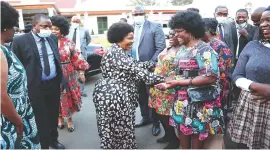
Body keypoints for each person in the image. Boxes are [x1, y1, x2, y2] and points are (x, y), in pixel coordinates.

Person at [156, 11, 222, 149]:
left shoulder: (203, 50)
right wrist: (169, 83)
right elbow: (181, 73)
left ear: (191, 30)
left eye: (179, 31)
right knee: (182, 130)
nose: (176, 35)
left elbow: (210, 76)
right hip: (182, 101)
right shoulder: (182, 49)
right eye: (174, 31)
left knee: (196, 133)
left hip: (198, 102)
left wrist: (180, 82)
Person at [93, 22, 165, 149]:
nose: (132, 41)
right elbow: (142, 74)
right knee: (120, 128)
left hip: (113, 94)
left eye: (133, 38)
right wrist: (168, 79)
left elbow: (134, 65)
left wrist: (150, 64)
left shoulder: (118, 51)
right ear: (119, 37)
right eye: (129, 38)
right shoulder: (116, 53)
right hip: (115, 97)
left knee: (114, 128)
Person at [12, 14, 65, 149]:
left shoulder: (52, 38)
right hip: (35, 87)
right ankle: (44, 144)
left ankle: (54, 139)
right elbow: (16, 66)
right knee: (40, 117)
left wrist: (61, 80)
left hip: (53, 84)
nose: (48, 29)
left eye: (49, 26)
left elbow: (56, 59)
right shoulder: (20, 41)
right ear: (34, 25)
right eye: (44, 26)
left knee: (53, 113)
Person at [228, 6, 270, 149]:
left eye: (269, 20)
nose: (264, 24)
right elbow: (237, 75)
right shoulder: (252, 46)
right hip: (251, 105)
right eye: (262, 21)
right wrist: (256, 86)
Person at [0, 2, 40, 149]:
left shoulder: (5, 49)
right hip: (9, 121)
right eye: (13, 26)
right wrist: (17, 120)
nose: (14, 30)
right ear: (5, 26)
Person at [131, 6, 166, 137]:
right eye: (136, 14)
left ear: (145, 14)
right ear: (132, 15)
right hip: (134, 68)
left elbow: (161, 47)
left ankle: (155, 122)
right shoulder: (129, 28)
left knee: (151, 95)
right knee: (140, 95)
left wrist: (150, 63)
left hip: (150, 68)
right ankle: (145, 117)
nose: (138, 15)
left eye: (140, 13)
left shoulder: (154, 26)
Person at [51, 15, 90, 132]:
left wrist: (81, 73)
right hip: (53, 75)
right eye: (51, 28)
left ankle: (69, 121)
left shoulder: (69, 43)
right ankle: (59, 119)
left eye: (56, 29)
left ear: (62, 30)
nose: (54, 31)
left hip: (68, 75)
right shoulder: (46, 42)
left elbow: (77, 57)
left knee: (67, 98)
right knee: (55, 97)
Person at [148, 30, 180, 149]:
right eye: (170, 34)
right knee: (159, 113)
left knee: (166, 115)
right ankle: (168, 135)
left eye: (174, 35)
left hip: (168, 88)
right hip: (157, 86)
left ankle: (174, 140)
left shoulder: (183, 51)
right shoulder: (169, 47)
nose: (171, 37)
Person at [67, 16, 91, 97]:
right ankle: (72, 90)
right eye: (74, 21)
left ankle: (82, 90)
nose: (75, 23)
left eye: (77, 21)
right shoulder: (68, 30)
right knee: (71, 72)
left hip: (81, 53)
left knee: (82, 72)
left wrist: (83, 47)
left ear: (79, 22)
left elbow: (88, 39)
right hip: (70, 53)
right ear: (71, 22)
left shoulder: (85, 30)